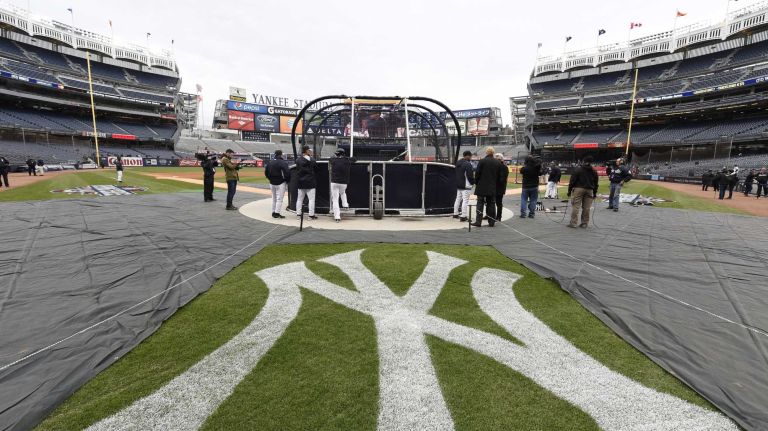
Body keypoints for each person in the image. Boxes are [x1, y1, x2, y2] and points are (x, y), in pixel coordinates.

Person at [472, 147, 501, 227]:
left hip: (481, 186)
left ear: (486, 152)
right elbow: (499, 177)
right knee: (491, 204)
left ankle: (478, 222)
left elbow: (477, 174)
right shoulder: (497, 163)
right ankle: (491, 222)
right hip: (492, 187)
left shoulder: (482, 161)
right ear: (493, 153)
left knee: (480, 203)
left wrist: (476, 182)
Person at [567, 155, 599, 228]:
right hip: (589, 190)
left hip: (579, 189)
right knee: (587, 208)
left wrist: (569, 191)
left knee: (576, 206)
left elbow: (572, 181)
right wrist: (594, 193)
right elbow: (596, 183)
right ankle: (584, 223)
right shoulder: (594, 171)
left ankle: (573, 223)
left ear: (583, 161)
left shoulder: (578, 170)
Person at [329, 148, 356, 222]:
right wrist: (347, 157)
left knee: (335, 200)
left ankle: (337, 216)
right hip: (344, 183)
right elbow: (354, 159)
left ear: (337, 154)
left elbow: (330, 158)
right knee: (343, 192)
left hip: (334, 182)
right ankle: (345, 205)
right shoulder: (347, 160)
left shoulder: (333, 160)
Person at [265, 150, 290, 218]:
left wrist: (270, 179)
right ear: (281, 155)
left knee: (274, 198)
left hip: (271, 183)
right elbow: (287, 172)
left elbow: (266, 173)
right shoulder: (282, 162)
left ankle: (273, 211)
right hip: (280, 183)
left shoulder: (270, 162)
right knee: (279, 199)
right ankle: (277, 213)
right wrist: (287, 180)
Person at [296, 145, 318, 220]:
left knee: (299, 199)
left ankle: (298, 215)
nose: (310, 151)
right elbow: (316, 169)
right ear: (306, 151)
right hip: (310, 182)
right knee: (311, 200)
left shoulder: (298, 160)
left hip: (301, 182)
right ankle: (311, 216)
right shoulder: (312, 159)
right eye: (309, 150)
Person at [453, 151, 475, 222]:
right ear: (467, 156)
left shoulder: (458, 162)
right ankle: (463, 216)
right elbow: (470, 175)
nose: (471, 158)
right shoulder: (467, 164)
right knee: (465, 200)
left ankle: (455, 213)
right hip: (466, 185)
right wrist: (472, 182)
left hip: (459, 184)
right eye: (470, 156)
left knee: (458, 199)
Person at [495, 153, 509, 221]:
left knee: (498, 203)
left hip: (499, 188)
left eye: (497, 159)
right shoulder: (497, 166)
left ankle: (498, 216)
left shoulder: (504, 167)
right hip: (495, 187)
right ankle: (491, 215)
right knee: (491, 202)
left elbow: (502, 179)